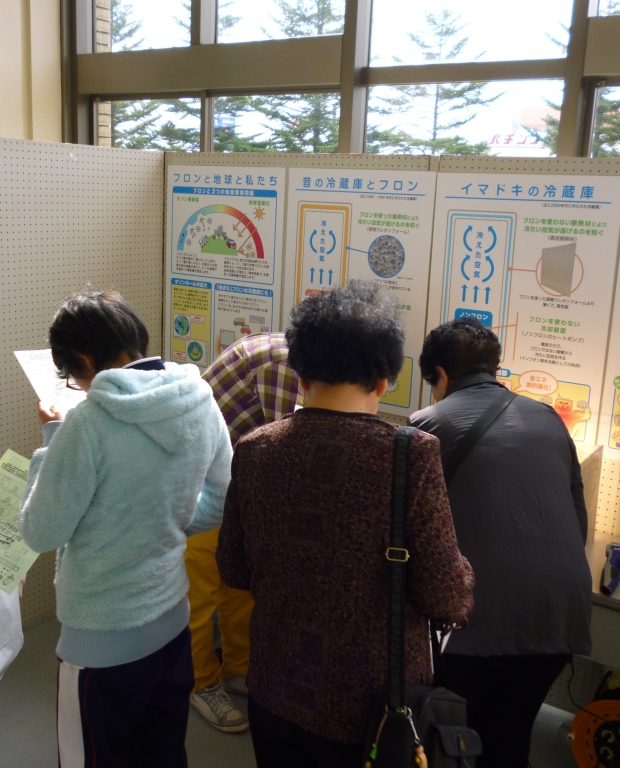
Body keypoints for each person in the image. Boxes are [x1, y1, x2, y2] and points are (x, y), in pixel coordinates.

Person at [217, 281, 474, 768]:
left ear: (300, 374)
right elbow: (446, 595)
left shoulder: (254, 449)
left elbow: (233, 569)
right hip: (371, 712)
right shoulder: (409, 455)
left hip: (273, 688)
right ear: (383, 379)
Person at [17, 290, 232, 768]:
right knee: (162, 753)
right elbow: (221, 500)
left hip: (100, 636)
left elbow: (40, 532)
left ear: (84, 359)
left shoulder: (86, 424)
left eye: (71, 374)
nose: (75, 385)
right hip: (172, 620)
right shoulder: (199, 398)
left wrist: (51, 437)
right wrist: (165, 524)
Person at [409, 317, 592, 768]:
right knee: (510, 738)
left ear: (440, 374)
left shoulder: (426, 426)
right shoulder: (548, 418)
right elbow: (578, 519)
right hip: (559, 617)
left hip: (478, 623)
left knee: (448, 740)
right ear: (494, 366)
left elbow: (412, 534)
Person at [187, 332, 300, 733]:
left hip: (231, 484)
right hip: (200, 485)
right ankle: (201, 682)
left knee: (238, 586)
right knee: (200, 595)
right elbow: (286, 448)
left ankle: (238, 668)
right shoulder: (283, 365)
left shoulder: (284, 352)